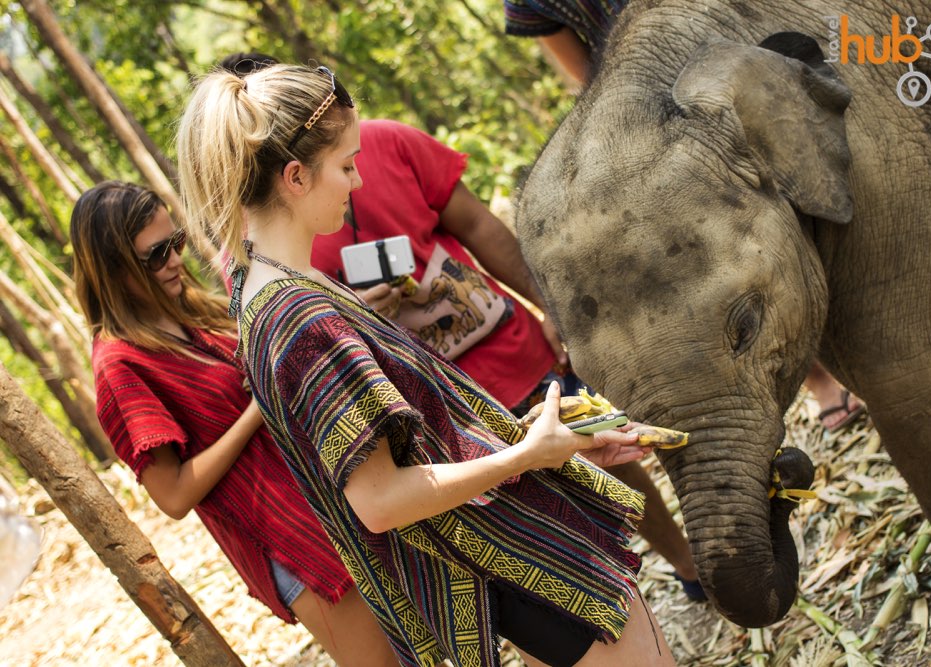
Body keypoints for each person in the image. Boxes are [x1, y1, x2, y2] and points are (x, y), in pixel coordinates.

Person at [178, 63, 677, 667]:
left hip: (496, 544)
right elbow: (380, 499)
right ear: (295, 176)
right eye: (345, 164)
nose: (357, 181)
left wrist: (550, 441)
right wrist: (526, 456)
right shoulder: (299, 321)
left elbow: (422, 443)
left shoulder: (264, 287)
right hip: (510, 557)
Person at [70, 181, 398, 667]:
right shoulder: (120, 367)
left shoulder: (188, 311)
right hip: (292, 542)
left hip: (336, 501)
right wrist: (255, 411)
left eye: (175, 242)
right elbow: (174, 495)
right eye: (156, 255)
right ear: (114, 269)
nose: (176, 261)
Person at [503, 4, 866, 433]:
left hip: (746, 53)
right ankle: (820, 380)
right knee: (734, 275)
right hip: (662, 126)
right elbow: (586, 77)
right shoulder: (527, 2)